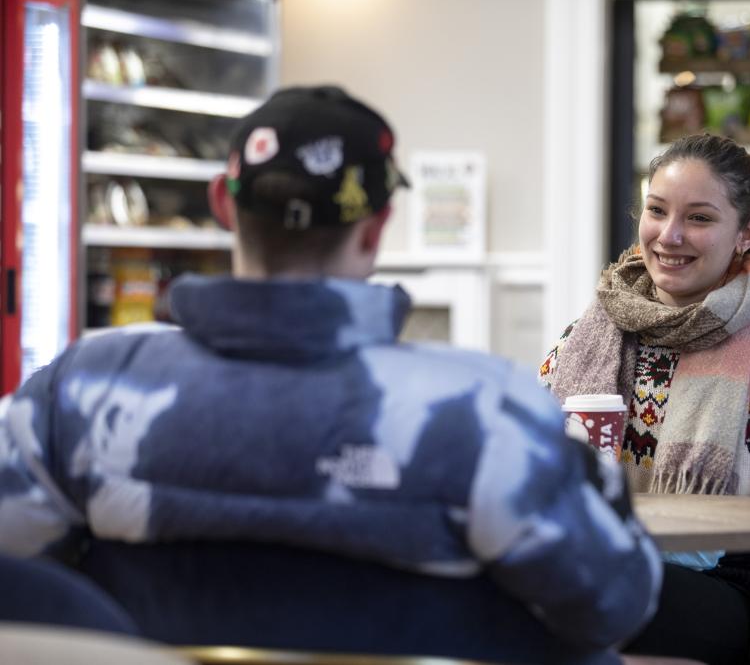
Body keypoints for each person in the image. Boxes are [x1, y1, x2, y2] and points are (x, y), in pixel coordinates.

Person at [0, 85, 662, 657]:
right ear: (375, 228)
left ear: (224, 204)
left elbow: (18, 567)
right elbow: (614, 601)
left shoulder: (81, 389)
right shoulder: (486, 411)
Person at [539, 133, 750, 664]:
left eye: (700, 218)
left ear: (745, 233)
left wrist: (713, 543)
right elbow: (531, 453)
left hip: (722, 582)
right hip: (590, 562)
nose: (670, 235)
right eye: (657, 211)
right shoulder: (586, 337)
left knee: (584, 602)